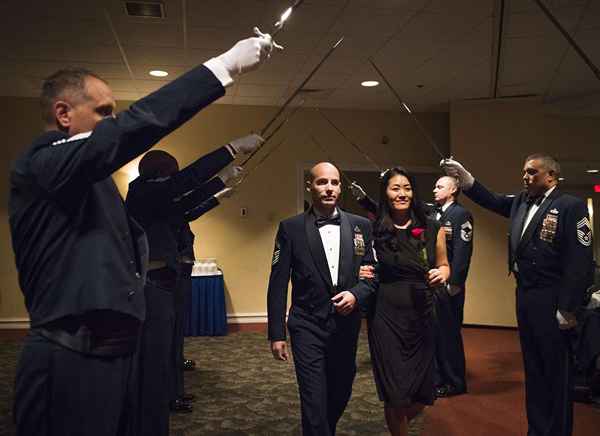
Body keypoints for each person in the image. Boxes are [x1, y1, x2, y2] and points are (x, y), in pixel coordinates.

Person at [9, 30, 277, 436]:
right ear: (64, 114)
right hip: (69, 354)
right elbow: (137, 132)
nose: (112, 123)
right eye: (102, 112)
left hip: (108, 349)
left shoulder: (87, 178)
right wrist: (224, 66)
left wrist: (220, 183)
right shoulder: (42, 163)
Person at [442, 154, 594, 436]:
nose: (526, 177)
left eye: (532, 172)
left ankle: (557, 431)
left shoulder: (569, 206)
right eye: (524, 172)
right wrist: (467, 179)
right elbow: (491, 200)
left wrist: (568, 307)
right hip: (525, 295)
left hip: (553, 299)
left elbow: (580, 261)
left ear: (551, 176)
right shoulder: (521, 202)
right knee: (534, 369)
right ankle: (536, 429)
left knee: (556, 372)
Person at [126, 142, 258, 433]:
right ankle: (150, 418)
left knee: (165, 351)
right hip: (152, 285)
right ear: (159, 173)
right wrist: (229, 150)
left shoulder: (152, 194)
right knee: (155, 358)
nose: (173, 179)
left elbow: (184, 205)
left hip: (163, 282)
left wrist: (219, 187)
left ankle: (159, 412)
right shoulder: (143, 191)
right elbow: (186, 184)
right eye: (169, 174)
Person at [266, 162, 377, 436]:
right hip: (307, 324)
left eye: (334, 182)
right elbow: (278, 283)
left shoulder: (361, 226)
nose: (329, 188)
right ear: (310, 186)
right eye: (322, 182)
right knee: (313, 397)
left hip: (345, 325)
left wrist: (356, 293)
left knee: (340, 390)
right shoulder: (290, 228)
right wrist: (276, 333)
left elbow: (373, 274)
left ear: (340, 186)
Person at [365, 167, 449, 436]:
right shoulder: (373, 227)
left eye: (407, 188)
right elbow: (361, 262)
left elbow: (445, 264)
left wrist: (443, 273)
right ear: (385, 193)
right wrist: (360, 270)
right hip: (385, 314)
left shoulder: (432, 226)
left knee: (422, 393)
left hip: (422, 312)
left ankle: (398, 420)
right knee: (394, 391)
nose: (402, 194)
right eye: (395, 188)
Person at [431, 176, 473, 397]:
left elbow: (463, 252)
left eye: (439, 186)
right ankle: (438, 378)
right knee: (436, 334)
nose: (434, 189)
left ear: (454, 189)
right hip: (435, 283)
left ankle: (455, 382)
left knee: (449, 336)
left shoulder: (460, 215)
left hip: (450, 286)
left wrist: (455, 282)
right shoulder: (434, 213)